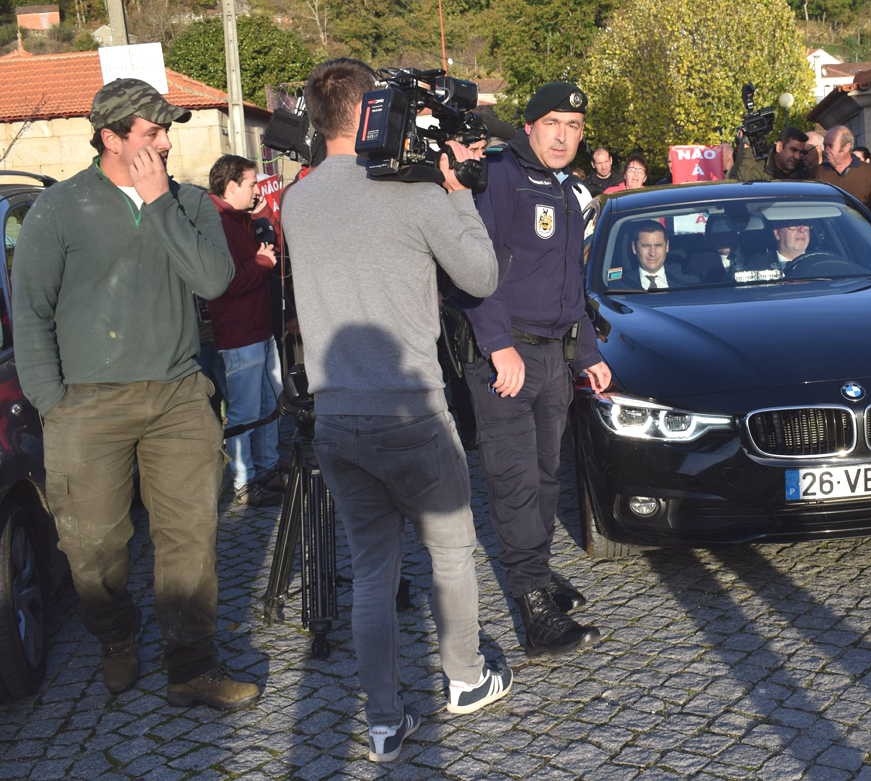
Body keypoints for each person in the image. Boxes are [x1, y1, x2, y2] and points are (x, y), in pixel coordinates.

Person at [281, 58, 511, 763]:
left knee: (374, 568)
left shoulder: (297, 201)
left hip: (338, 418)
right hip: (411, 412)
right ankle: (465, 676)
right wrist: (454, 191)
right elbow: (481, 275)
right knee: (449, 551)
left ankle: (382, 719)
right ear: (375, 111)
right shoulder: (412, 195)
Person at [11, 78, 259, 708]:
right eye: (152, 132)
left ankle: (191, 665)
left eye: (166, 131)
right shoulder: (59, 209)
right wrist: (52, 402)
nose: (166, 143)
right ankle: (116, 637)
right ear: (111, 137)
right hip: (86, 405)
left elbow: (211, 281)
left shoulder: (188, 203)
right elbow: (32, 312)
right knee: (92, 545)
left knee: (190, 537)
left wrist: (159, 204)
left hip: (177, 396)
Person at [460, 81, 612, 657]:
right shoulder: (498, 175)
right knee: (515, 481)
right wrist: (497, 344)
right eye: (553, 123)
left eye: (574, 127)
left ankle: (539, 571)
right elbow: (472, 267)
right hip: (507, 357)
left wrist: (590, 352)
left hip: (554, 354)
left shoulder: (567, 188)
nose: (564, 135)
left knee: (548, 474)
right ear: (528, 125)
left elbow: (571, 282)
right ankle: (533, 609)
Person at [205, 154, 284, 507]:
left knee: (268, 404)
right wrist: (262, 263)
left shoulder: (241, 220)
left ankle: (267, 470)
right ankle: (243, 481)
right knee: (244, 412)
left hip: (260, 329)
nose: (256, 191)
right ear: (231, 185)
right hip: (238, 335)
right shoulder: (217, 224)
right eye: (251, 184)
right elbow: (225, 281)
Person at [814, 125, 871, 225]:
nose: (826, 150)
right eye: (824, 145)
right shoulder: (818, 172)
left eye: (830, 146)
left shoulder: (867, 172)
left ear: (846, 147)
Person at [614, 221, 691, 289]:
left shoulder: (690, 282)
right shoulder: (618, 286)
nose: (652, 253)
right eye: (646, 246)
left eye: (658, 245)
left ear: (667, 247)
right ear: (634, 248)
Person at [731, 125, 812, 181]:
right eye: (793, 150)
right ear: (779, 147)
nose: (797, 156)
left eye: (801, 152)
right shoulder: (757, 169)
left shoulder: (803, 175)